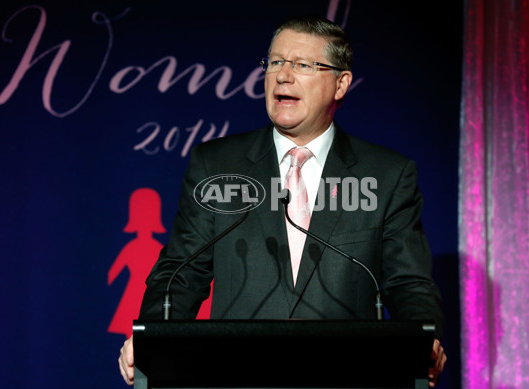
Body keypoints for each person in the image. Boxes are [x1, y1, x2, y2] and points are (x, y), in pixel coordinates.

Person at [119, 15, 447, 387]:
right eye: (275, 62)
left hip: (348, 376)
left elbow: (408, 283)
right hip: (236, 376)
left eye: (303, 65)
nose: (283, 76)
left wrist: (425, 340)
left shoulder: (387, 175)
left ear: (340, 84)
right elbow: (181, 272)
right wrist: (152, 337)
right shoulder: (217, 165)